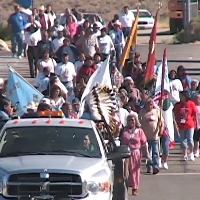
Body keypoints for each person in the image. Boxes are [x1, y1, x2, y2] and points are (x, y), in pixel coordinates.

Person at [121, 114, 149, 196]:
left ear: (135, 121)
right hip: (126, 153)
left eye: (133, 120)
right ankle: (125, 186)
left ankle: (135, 187)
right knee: (125, 171)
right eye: (129, 120)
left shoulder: (139, 131)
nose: (131, 121)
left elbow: (144, 143)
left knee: (135, 171)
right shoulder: (124, 130)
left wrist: (146, 154)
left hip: (136, 153)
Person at [173, 91, 197, 161]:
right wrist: (176, 123)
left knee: (190, 140)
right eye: (180, 96)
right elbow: (175, 114)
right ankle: (185, 154)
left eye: (182, 96)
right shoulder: (178, 105)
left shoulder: (191, 103)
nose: (180, 97)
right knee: (182, 141)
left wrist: (196, 123)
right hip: (181, 126)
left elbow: (195, 114)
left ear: (185, 96)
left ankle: (191, 153)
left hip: (190, 125)